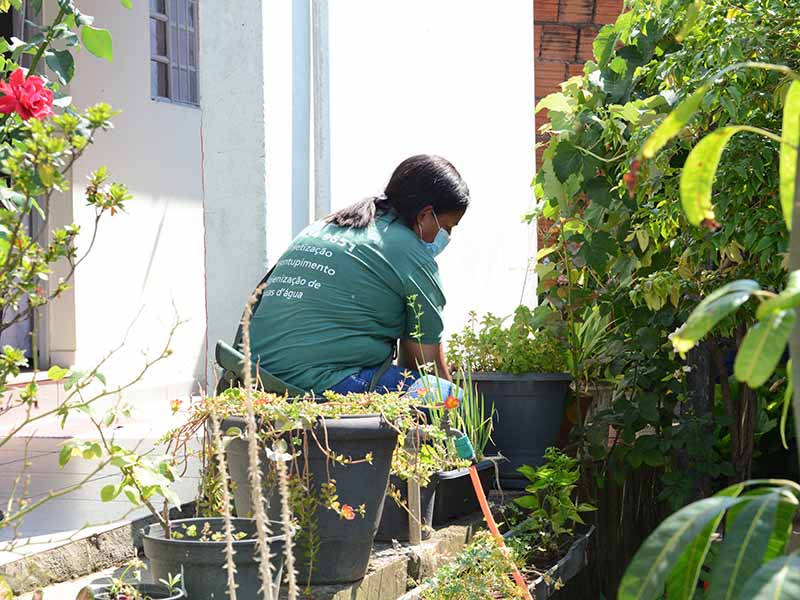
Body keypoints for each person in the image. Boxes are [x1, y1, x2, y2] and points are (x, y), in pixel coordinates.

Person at [247, 154, 470, 395]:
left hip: (257, 375)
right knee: (448, 397)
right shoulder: (411, 254)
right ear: (425, 215)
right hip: (318, 381)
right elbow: (425, 363)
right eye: (447, 227)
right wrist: (457, 410)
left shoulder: (328, 225)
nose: (447, 236)